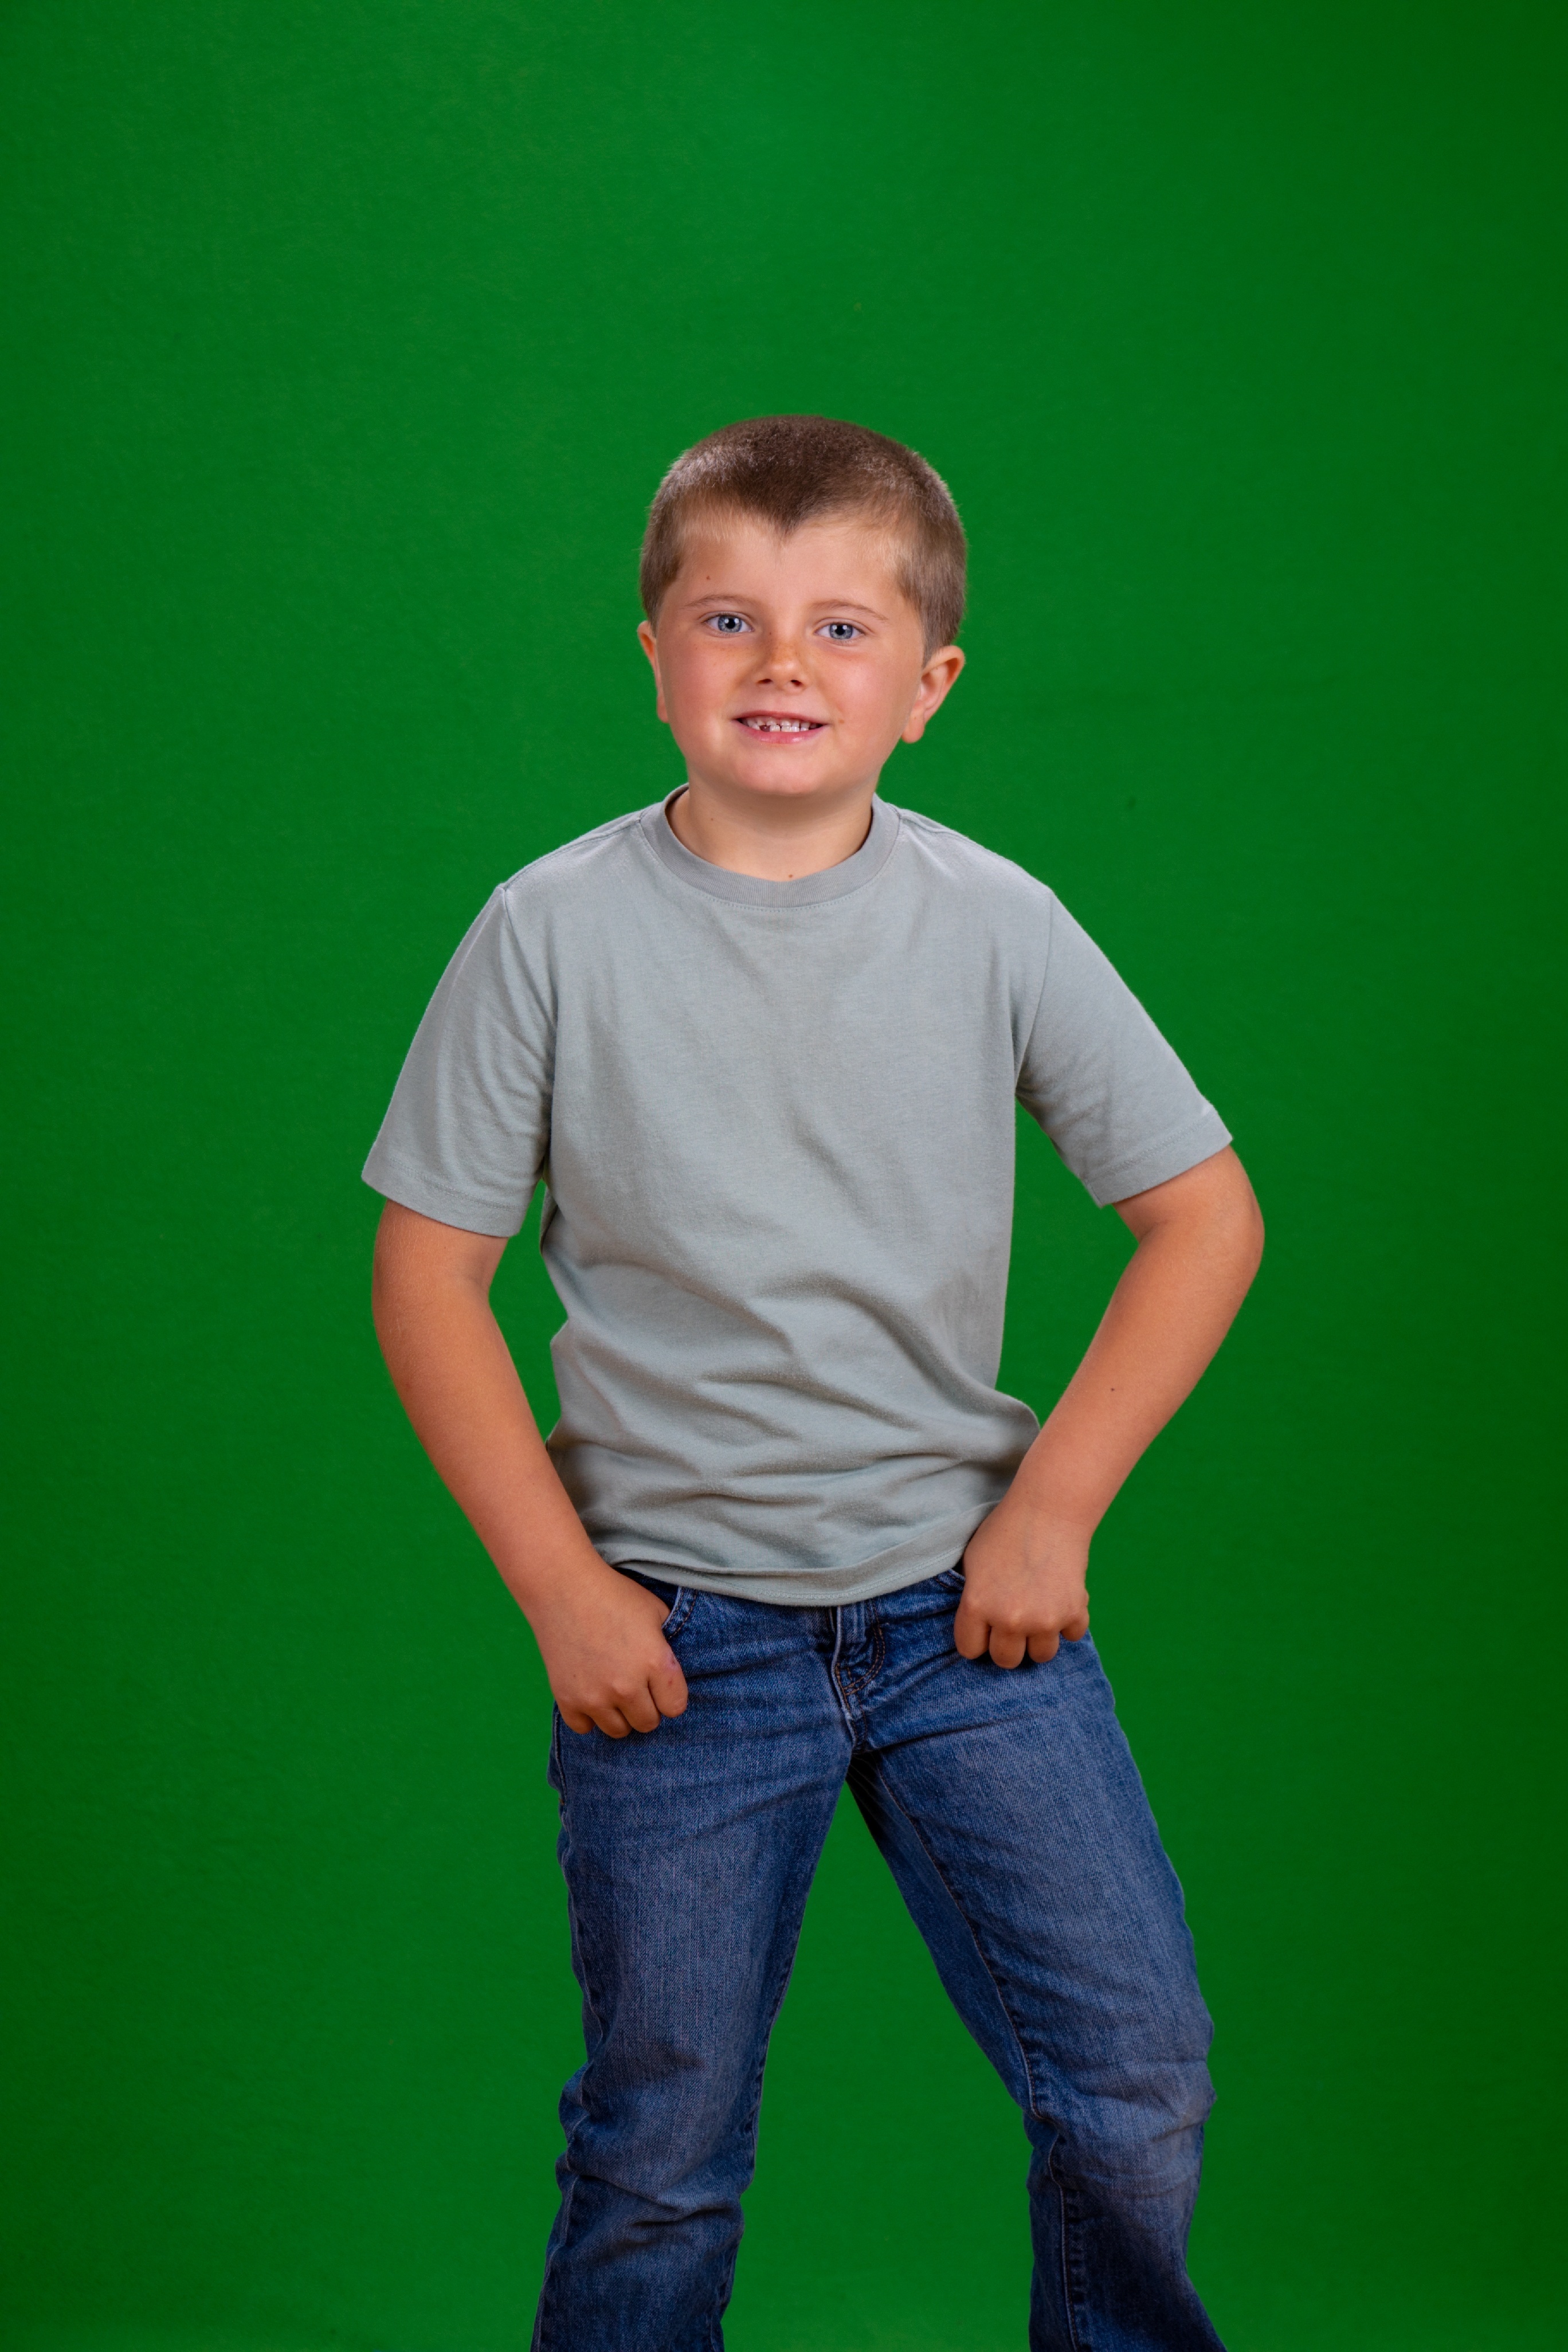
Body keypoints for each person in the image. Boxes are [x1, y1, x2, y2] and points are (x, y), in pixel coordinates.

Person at [364, 414, 1264, 2352]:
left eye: (843, 628)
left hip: (970, 1616)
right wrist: (560, 1589)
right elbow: (426, 1277)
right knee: (659, 2149)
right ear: (655, 658)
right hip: (679, 1641)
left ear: (928, 685)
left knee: (1136, 2083)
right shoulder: (547, 932)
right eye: (730, 619)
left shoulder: (998, 923)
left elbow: (1205, 1218)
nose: (783, 663)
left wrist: (1052, 1512)